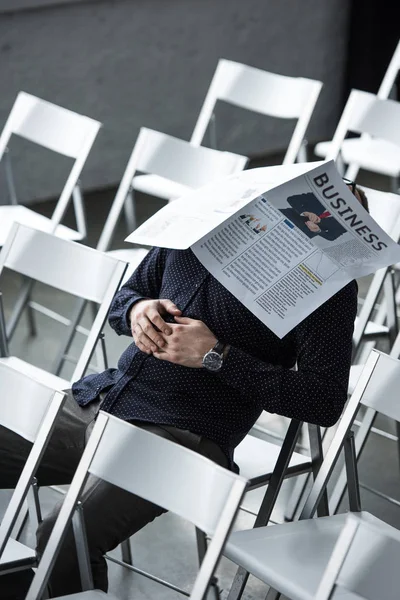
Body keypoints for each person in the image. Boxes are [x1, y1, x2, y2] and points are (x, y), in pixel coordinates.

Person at [0, 184, 367, 598]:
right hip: (107, 398)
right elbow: (127, 295)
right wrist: (137, 311)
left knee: (67, 535)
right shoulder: (199, 231)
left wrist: (217, 355)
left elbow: (324, 401)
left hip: (185, 433)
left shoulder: (330, 290)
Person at [280, 191, 347, 241]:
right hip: (285, 217)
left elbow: (331, 237)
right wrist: (305, 212)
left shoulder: (347, 222)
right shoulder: (324, 195)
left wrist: (318, 230)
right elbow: (292, 199)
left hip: (297, 235)